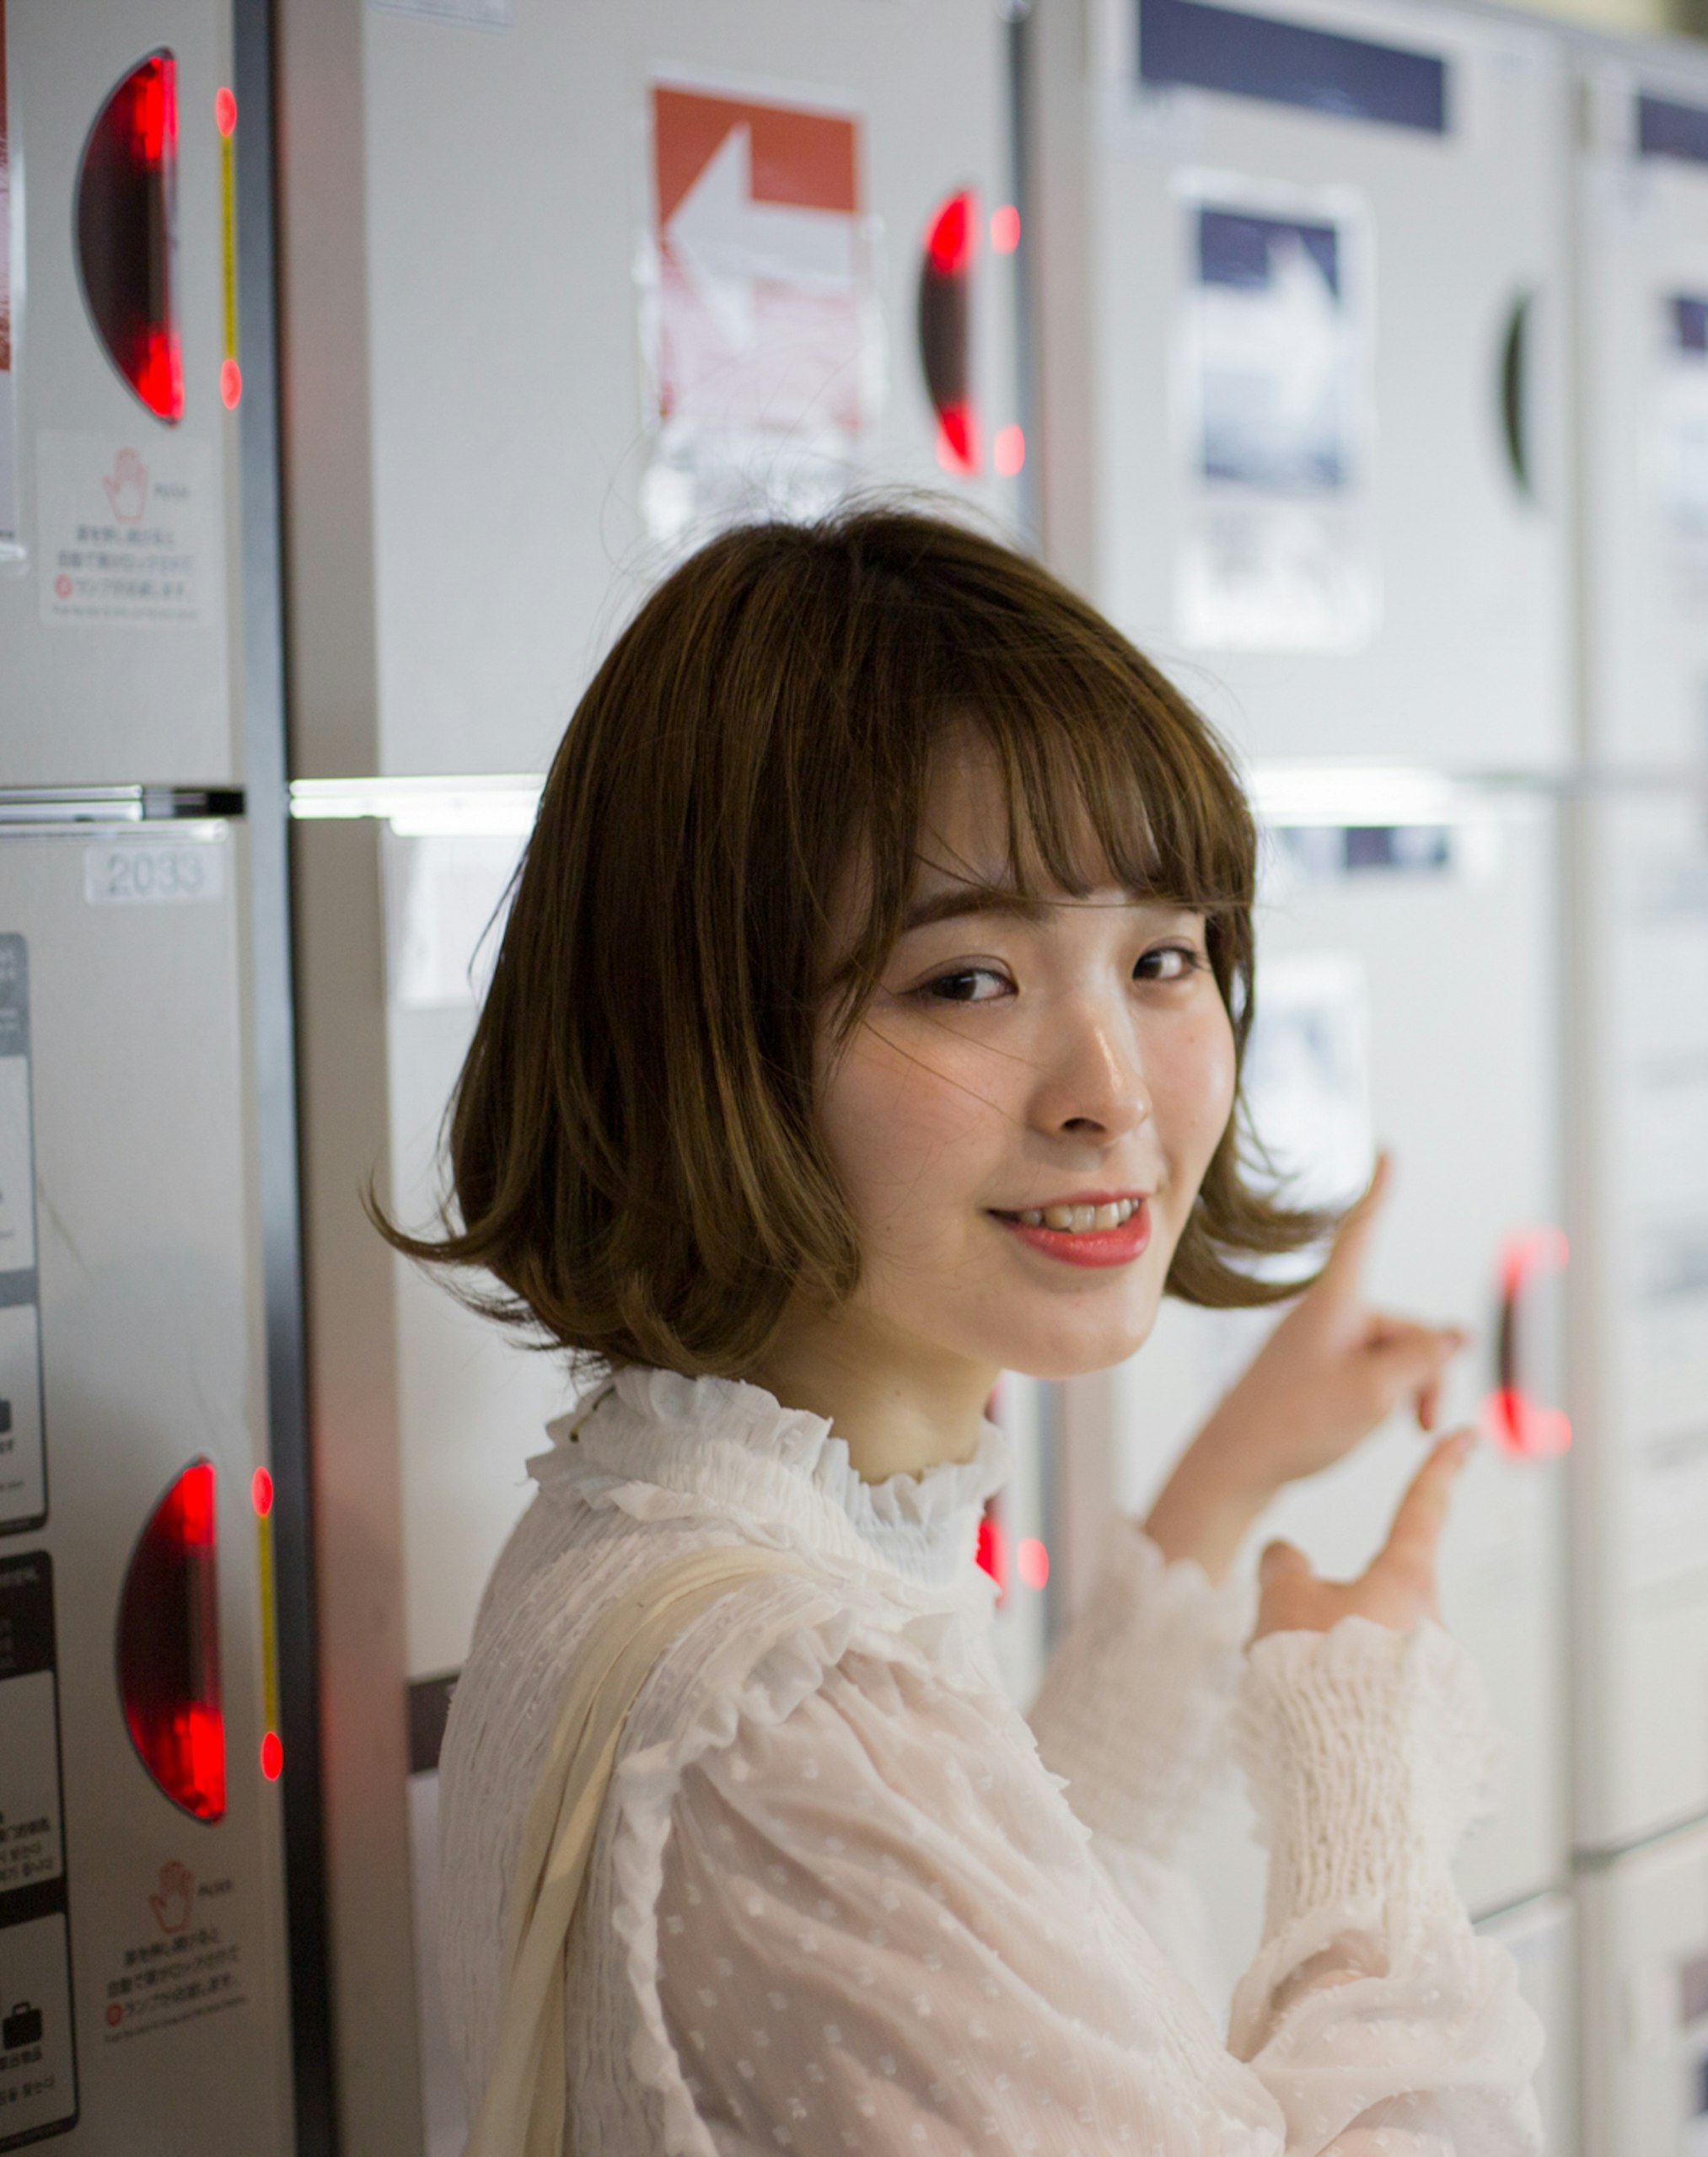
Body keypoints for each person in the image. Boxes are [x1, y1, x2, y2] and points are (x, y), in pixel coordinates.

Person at [394, 506, 1543, 2154]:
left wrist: (1221, 1492)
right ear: (703, 1039)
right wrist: (1367, 1801)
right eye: (966, 981)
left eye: (1160, 954)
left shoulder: (650, 1526)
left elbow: (1021, 1930)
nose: (1114, 1088)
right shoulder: (778, 1719)